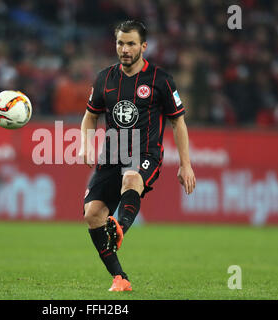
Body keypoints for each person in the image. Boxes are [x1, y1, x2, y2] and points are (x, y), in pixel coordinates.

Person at [79, 20, 196, 292]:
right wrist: (85, 145)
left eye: (131, 43)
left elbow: (178, 122)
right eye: (120, 43)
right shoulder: (104, 78)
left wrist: (185, 165)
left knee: (132, 180)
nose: (125, 49)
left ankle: (120, 227)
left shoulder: (161, 80)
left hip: (146, 153)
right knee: (92, 214)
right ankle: (120, 278)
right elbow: (90, 117)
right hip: (112, 153)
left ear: (143, 46)